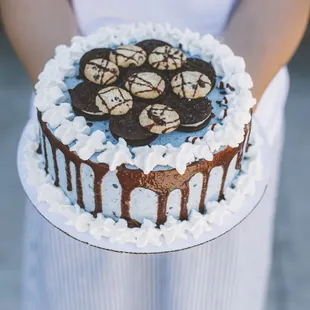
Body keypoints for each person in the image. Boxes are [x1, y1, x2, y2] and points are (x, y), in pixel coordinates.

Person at [1, 1, 309, 309]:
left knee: (213, 295)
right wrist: (66, 100)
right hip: (79, 130)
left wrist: (226, 121)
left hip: (236, 95)